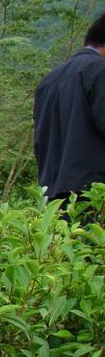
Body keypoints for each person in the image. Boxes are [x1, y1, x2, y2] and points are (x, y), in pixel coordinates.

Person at [33, 12, 105, 209]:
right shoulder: (100, 71)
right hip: (94, 195)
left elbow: (40, 141)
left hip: (53, 196)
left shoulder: (47, 81)